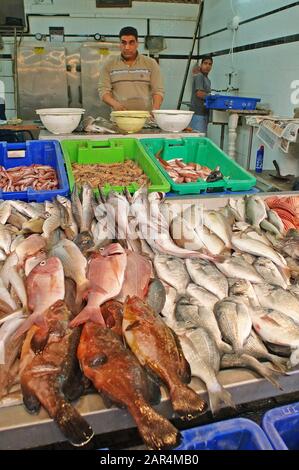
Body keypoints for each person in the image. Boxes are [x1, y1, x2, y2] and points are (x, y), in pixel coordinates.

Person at [98, 26, 164, 112]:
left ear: (137, 43)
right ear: (120, 44)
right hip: (119, 119)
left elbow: (158, 91)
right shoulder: (109, 65)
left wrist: (155, 110)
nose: (127, 47)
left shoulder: (151, 63)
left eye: (131, 43)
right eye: (124, 43)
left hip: (145, 120)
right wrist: (115, 105)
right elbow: (103, 91)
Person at [189, 55, 213, 134]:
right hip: (198, 114)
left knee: (202, 138)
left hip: (204, 114)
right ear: (201, 65)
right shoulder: (199, 76)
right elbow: (199, 93)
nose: (207, 66)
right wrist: (212, 97)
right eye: (205, 63)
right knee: (198, 139)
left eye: (210, 64)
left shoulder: (208, 80)